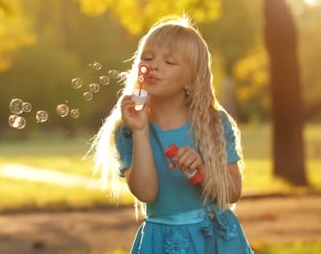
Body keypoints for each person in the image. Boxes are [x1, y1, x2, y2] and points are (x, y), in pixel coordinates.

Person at [87, 14, 254, 254]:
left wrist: (202, 172)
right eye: (148, 58)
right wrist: (140, 130)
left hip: (216, 240)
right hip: (165, 241)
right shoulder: (127, 128)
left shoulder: (213, 122)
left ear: (191, 79)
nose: (154, 65)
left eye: (169, 62)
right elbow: (146, 192)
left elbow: (234, 191)